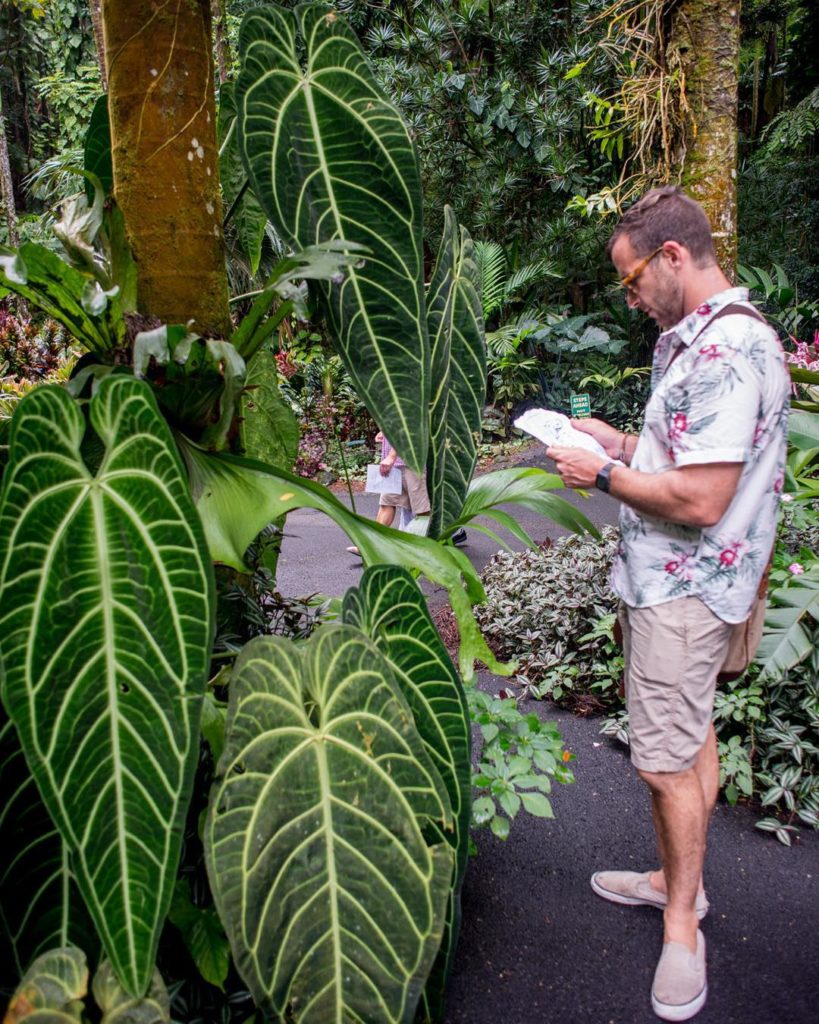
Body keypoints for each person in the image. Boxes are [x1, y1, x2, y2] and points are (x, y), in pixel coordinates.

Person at [545, 186, 790, 1022]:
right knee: (691, 736)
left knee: (659, 761)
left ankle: (681, 922)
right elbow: (687, 451)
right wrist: (617, 443)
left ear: (673, 257)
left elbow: (697, 498)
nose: (630, 294)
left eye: (631, 277)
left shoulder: (720, 352)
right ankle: (674, 881)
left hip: (682, 590)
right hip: (703, 586)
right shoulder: (708, 340)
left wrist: (601, 476)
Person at [347, 432, 466, 553]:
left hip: (412, 462)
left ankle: (435, 545)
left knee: (422, 511)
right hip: (393, 466)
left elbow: (407, 426)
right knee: (386, 504)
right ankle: (369, 546)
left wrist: (392, 456)